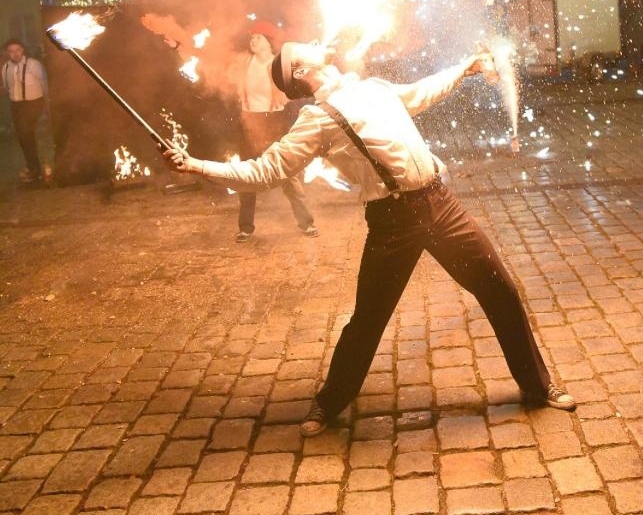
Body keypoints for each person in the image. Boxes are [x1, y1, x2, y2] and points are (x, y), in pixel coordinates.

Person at [165, 40, 576, 434]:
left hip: (440, 203)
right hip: (393, 222)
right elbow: (263, 173)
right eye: (303, 48)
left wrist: (464, 69)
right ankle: (329, 401)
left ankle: (538, 386)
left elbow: (420, 93)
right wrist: (195, 165)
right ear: (301, 71)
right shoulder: (316, 119)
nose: (316, 42)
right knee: (368, 320)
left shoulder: (373, 88)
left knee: (500, 290)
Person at [229, 22, 317, 241]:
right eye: (252, 36)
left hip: (274, 121)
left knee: (287, 173)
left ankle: (306, 222)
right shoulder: (243, 62)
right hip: (249, 121)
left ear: (269, 42)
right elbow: (211, 60)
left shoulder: (277, 65)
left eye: (259, 37)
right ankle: (245, 227)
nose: (253, 40)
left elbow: (295, 88)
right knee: (247, 175)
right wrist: (177, 44)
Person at [1, 38, 48, 184]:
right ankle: (32, 166)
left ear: (22, 50)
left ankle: (35, 169)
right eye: (11, 51)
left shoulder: (34, 64)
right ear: (7, 53)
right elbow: (7, 87)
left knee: (26, 133)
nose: (15, 54)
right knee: (22, 136)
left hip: (34, 102)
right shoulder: (6, 68)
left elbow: (44, 83)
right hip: (16, 105)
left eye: (17, 50)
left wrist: (47, 103)